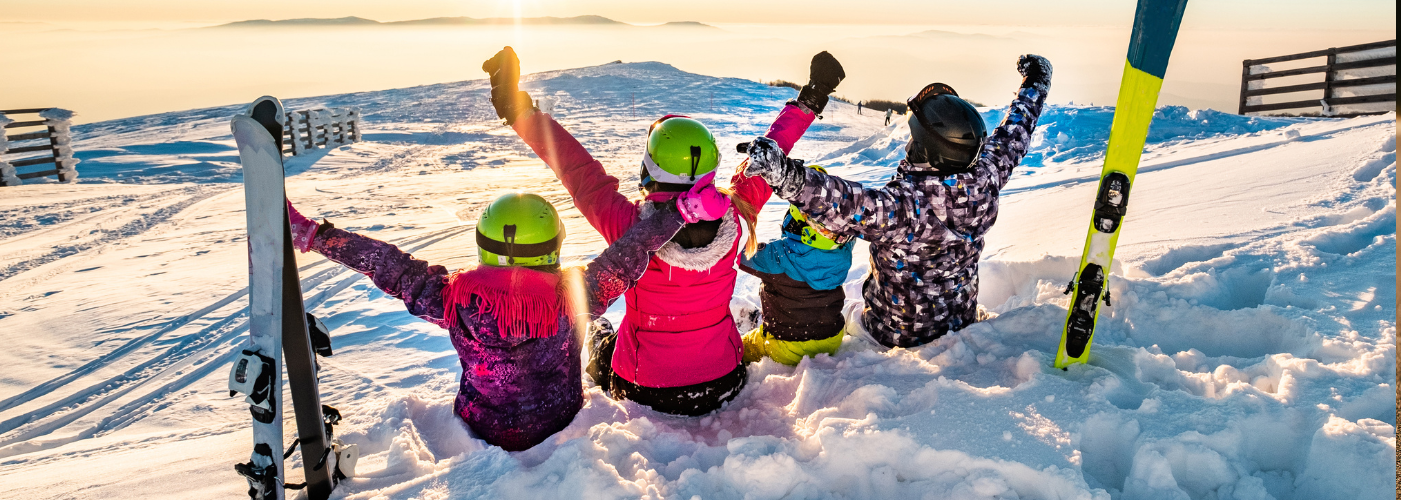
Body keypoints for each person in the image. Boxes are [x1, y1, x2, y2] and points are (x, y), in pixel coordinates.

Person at [483, 46, 844, 415]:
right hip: (724, 379)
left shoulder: (628, 227)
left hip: (645, 388)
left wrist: (518, 110)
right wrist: (811, 97)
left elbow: (576, 169)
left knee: (601, 337)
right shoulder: (736, 213)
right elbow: (770, 154)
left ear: (649, 169)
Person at [283, 187, 726, 450]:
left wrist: (316, 237)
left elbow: (386, 264)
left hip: (483, 427)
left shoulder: (453, 298)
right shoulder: (574, 296)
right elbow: (631, 252)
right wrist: (681, 213)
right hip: (560, 420)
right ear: (553, 245)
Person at [742, 54, 1053, 349]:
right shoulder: (986, 176)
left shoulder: (906, 207)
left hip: (892, 335)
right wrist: (1035, 83)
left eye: (915, 139)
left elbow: (844, 203)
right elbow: (1015, 133)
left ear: (927, 150)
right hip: (959, 322)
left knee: (837, 319)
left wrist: (785, 174)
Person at [738, 163, 855, 366]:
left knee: (743, 347)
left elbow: (742, 254)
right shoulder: (842, 251)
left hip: (787, 346)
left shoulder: (779, 256)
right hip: (832, 338)